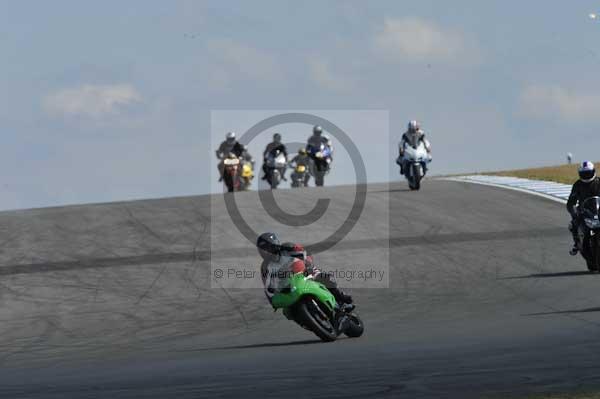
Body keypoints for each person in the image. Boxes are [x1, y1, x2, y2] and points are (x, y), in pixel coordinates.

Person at [257, 232, 353, 306]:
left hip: (304, 272)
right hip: (287, 287)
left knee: (325, 278)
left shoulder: (288, 247)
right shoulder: (265, 266)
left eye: (266, 249)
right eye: (262, 250)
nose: (265, 252)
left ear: (274, 245)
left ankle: (340, 297)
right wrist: (273, 295)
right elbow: (267, 286)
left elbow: (306, 253)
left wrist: (307, 263)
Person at [567, 161, 600, 255]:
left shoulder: (599, 182)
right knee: (573, 224)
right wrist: (573, 212)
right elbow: (571, 202)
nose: (586, 176)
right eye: (584, 174)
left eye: (588, 173)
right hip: (584, 210)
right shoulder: (577, 185)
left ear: (593, 172)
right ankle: (577, 243)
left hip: (598, 209)